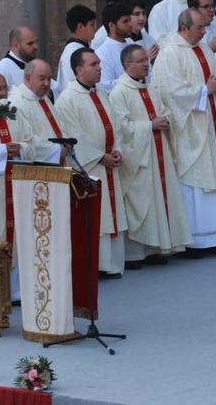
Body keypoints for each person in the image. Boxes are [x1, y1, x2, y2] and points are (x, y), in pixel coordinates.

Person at [153, 9, 216, 252]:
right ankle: (195, 240)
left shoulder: (203, 49)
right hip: (189, 130)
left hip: (211, 124)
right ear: (184, 28)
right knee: (194, 183)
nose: (204, 32)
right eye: (199, 28)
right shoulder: (169, 53)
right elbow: (168, 92)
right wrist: (205, 90)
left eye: (205, 27)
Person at [0, 72, 60, 300]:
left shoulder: (14, 113)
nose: (3, 93)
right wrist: (2, 150)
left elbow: (31, 141)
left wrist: (21, 148)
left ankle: (19, 289)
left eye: (5, 87)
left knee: (21, 235)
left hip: (19, 184)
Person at [108, 44, 191, 267]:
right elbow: (121, 128)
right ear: (127, 64)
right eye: (141, 61)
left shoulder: (150, 88)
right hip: (139, 158)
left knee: (158, 200)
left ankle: (156, 249)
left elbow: (164, 111)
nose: (147, 64)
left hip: (158, 151)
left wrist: (165, 120)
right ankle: (135, 254)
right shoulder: (119, 92)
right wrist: (149, 125)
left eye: (147, 60)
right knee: (140, 202)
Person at [54, 48, 128, 275]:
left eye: (99, 64)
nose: (99, 68)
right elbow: (73, 135)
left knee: (112, 212)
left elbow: (116, 126)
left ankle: (113, 264)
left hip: (109, 163)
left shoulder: (102, 93)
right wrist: (100, 156)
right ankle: (98, 266)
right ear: (79, 69)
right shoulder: (67, 99)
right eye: (93, 64)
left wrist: (117, 149)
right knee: (99, 215)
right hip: (92, 167)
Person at [9, 59, 68, 156]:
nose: (47, 84)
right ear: (28, 78)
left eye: (49, 79)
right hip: (39, 163)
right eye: (42, 79)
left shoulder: (43, 97)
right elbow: (24, 139)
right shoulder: (16, 102)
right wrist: (56, 150)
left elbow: (58, 125)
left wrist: (66, 141)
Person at [56, 4, 97, 96]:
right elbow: (70, 83)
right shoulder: (72, 52)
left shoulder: (82, 47)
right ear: (80, 27)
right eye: (91, 24)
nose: (94, 28)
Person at [95, 2, 135, 93]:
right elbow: (105, 86)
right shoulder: (102, 53)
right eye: (125, 21)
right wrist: (132, 77)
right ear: (112, 25)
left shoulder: (131, 43)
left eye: (130, 20)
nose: (130, 24)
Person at [0, 26, 38, 91]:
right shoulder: (0, 71)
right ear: (16, 45)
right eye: (30, 43)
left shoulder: (37, 66)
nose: (36, 47)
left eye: (36, 42)